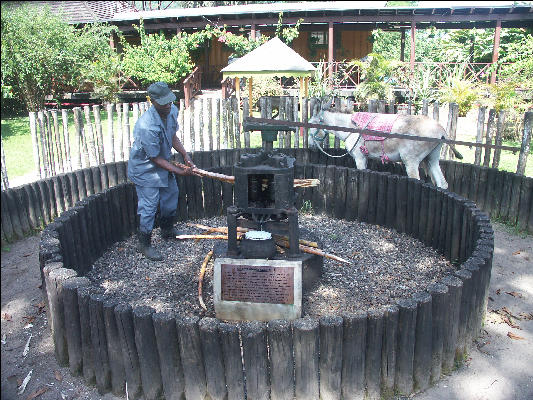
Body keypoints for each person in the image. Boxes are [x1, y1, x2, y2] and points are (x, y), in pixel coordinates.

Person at [128, 82, 197, 261]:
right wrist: (180, 172)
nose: (168, 105)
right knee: (149, 206)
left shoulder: (172, 111)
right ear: (153, 102)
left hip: (163, 163)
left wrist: (185, 155)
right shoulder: (146, 126)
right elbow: (154, 158)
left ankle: (167, 230)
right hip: (145, 169)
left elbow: (173, 136)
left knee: (171, 196)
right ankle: (145, 244)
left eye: (170, 101)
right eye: (164, 102)